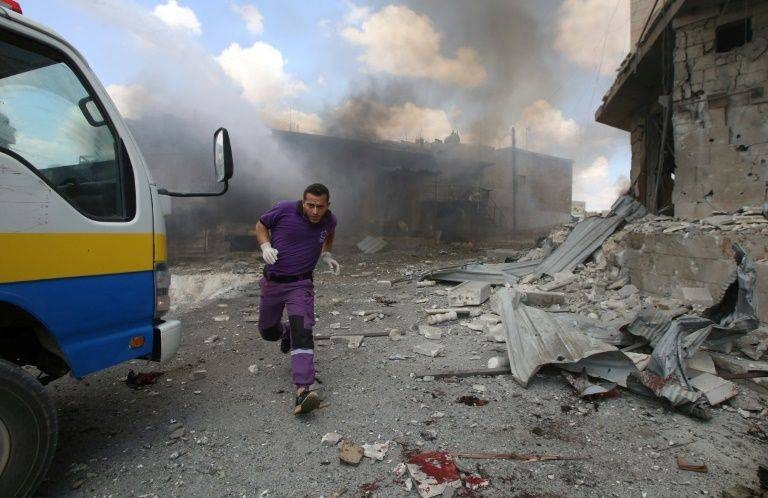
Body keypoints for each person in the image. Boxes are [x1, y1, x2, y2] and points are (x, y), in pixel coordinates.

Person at [255, 183, 340, 415]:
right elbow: (261, 225)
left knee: (302, 330)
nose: (315, 211)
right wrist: (265, 245)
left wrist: (327, 254)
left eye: (320, 207)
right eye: (310, 205)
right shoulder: (283, 210)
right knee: (267, 331)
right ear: (303, 202)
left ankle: (302, 390)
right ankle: (285, 332)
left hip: (301, 284)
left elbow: (329, 233)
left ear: (327, 206)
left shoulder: (329, 220)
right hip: (273, 282)